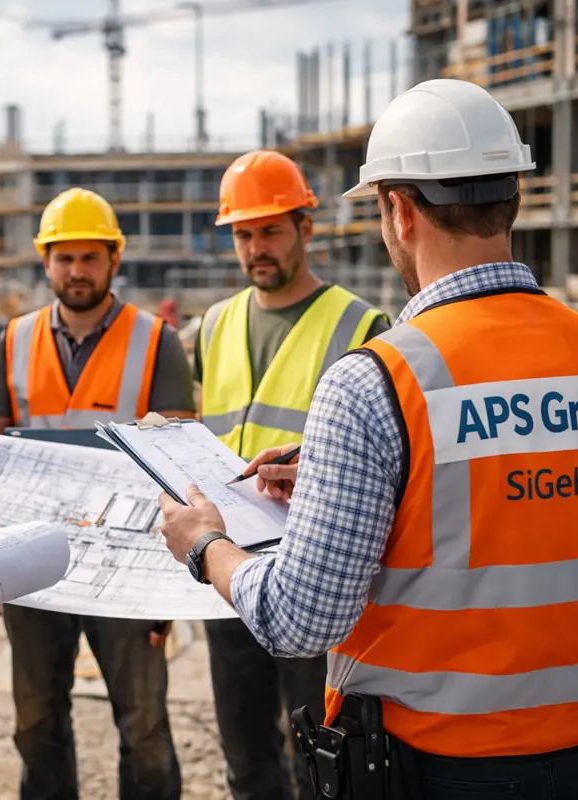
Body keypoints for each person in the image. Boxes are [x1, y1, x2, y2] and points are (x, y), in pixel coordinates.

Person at [158, 78, 578, 800]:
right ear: (512, 197)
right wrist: (358, 486)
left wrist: (208, 544)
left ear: (398, 208)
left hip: (436, 766)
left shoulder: (379, 379)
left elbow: (300, 620)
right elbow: (559, 531)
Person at [0, 186, 193, 799]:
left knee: (144, 725)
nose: (77, 271)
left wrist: (169, 586)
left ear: (113, 260)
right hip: (33, 567)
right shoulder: (14, 340)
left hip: (127, 571)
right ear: (46, 262)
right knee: (36, 722)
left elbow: (180, 468)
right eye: (64, 257)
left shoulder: (157, 341)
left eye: (89, 257)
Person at [193, 149, 390, 800]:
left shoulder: (363, 327)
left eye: (270, 229)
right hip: (230, 573)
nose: (256, 248)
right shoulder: (215, 325)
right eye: (243, 234)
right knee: (246, 757)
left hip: (318, 571)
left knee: (321, 759)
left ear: (307, 227)